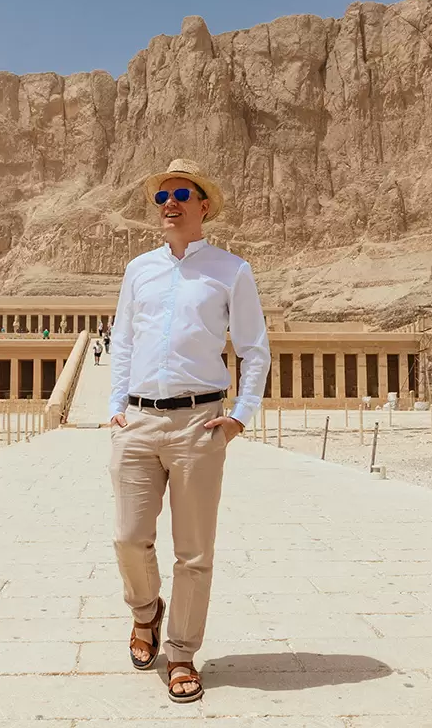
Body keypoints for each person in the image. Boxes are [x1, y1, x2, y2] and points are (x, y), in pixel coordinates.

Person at [109, 159, 270, 704]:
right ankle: (145, 611)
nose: (170, 203)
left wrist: (241, 416)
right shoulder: (139, 269)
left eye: (182, 193)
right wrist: (116, 407)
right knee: (129, 537)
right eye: (162, 196)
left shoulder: (231, 270)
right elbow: (123, 341)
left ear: (204, 205)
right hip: (138, 420)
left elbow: (253, 349)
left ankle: (181, 652)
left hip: (200, 421)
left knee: (194, 551)